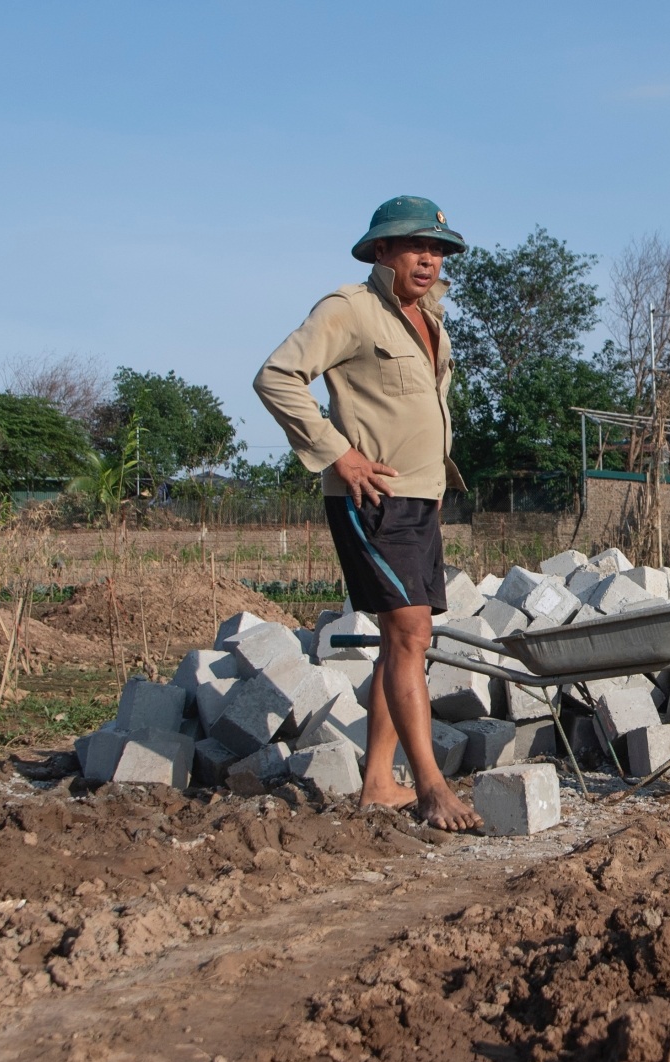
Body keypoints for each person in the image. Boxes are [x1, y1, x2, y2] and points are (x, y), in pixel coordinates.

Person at [254, 195, 482, 830]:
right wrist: (338, 455)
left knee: (402, 641)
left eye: (437, 250)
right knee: (410, 636)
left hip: (419, 497)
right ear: (381, 250)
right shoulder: (351, 309)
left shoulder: (428, 321)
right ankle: (432, 785)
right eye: (416, 247)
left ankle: (379, 782)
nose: (429, 259)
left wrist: (436, 483)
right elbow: (276, 376)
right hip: (373, 497)